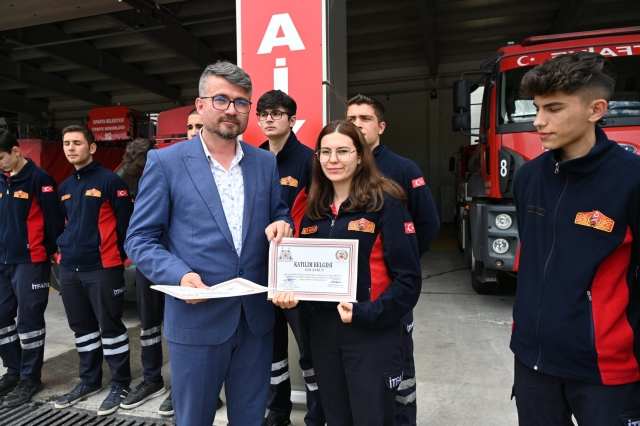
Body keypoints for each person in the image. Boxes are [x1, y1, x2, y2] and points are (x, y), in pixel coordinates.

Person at [124, 61, 293, 426]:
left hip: (255, 322)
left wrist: (284, 223)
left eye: (241, 102)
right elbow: (139, 238)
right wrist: (180, 275)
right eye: (221, 99)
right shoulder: (166, 162)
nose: (231, 109)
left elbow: (281, 214)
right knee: (194, 419)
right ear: (200, 105)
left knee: (249, 418)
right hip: (197, 321)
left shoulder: (265, 163)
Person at [511, 51, 640, 425]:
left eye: (553, 108)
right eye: (536, 108)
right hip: (532, 361)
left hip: (606, 369)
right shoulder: (528, 177)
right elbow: (533, 258)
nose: (538, 121)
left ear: (595, 109)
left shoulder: (631, 179)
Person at [273, 120, 422, 426]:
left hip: (372, 335)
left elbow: (408, 282)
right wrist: (293, 298)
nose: (333, 159)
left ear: (359, 155)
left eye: (342, 151)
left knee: (372, 419)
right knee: (336, 418)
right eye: (325, 152)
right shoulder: (313, 207)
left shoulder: (387, 202)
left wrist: (366, 313)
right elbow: (306, 273)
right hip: (324, 335)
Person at [346, 94, 439, 426]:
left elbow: (428, 225)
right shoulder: (340, 169)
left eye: (365, 118)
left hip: (392, 292)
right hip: (351, 293)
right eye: (351, 119)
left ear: (380, 126)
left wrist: (402, 267)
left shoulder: (402, 169)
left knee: (400, 363)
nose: (356, 124)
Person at [54, 125, 134, 416]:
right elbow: (66, 224)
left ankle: (120, 384)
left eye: (77, 143)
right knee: (83, 330)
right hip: (70, 269)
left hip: (103, 267)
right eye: (66, 143)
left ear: (92, 147)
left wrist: (117, 259)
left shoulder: (111, 181)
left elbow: (126, 226)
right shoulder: (64, 187)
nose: (71, 148)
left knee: (111, 329)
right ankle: (89, 381)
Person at [257, 90, 324, 426]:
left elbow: (319, 215)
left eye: (277, 113)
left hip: (297, 273)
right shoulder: (253, 159)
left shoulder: (310, 161)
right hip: (260, 271)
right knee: (271, 352)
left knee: (309, 351)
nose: (269, 118)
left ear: (292, 119)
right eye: (263, 113)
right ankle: (277, 412)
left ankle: (317, 416)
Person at [0, 130, 64, 407]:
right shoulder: (1, 180)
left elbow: (54, 224)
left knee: (29, 322)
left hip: (31, 261)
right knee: (1, 319)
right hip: (2, 260)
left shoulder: (40, 180)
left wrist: (43, 250)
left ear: (16, 150)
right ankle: (14, 370)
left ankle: (30, 377)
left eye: (0, 157)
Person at [118, 138, 171, 414]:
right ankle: (152, 380)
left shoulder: (169, 172)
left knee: (177, 327)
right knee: (149, 326)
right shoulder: (135, 182)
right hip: (146, 265)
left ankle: (181, 386)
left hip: (176, 263)